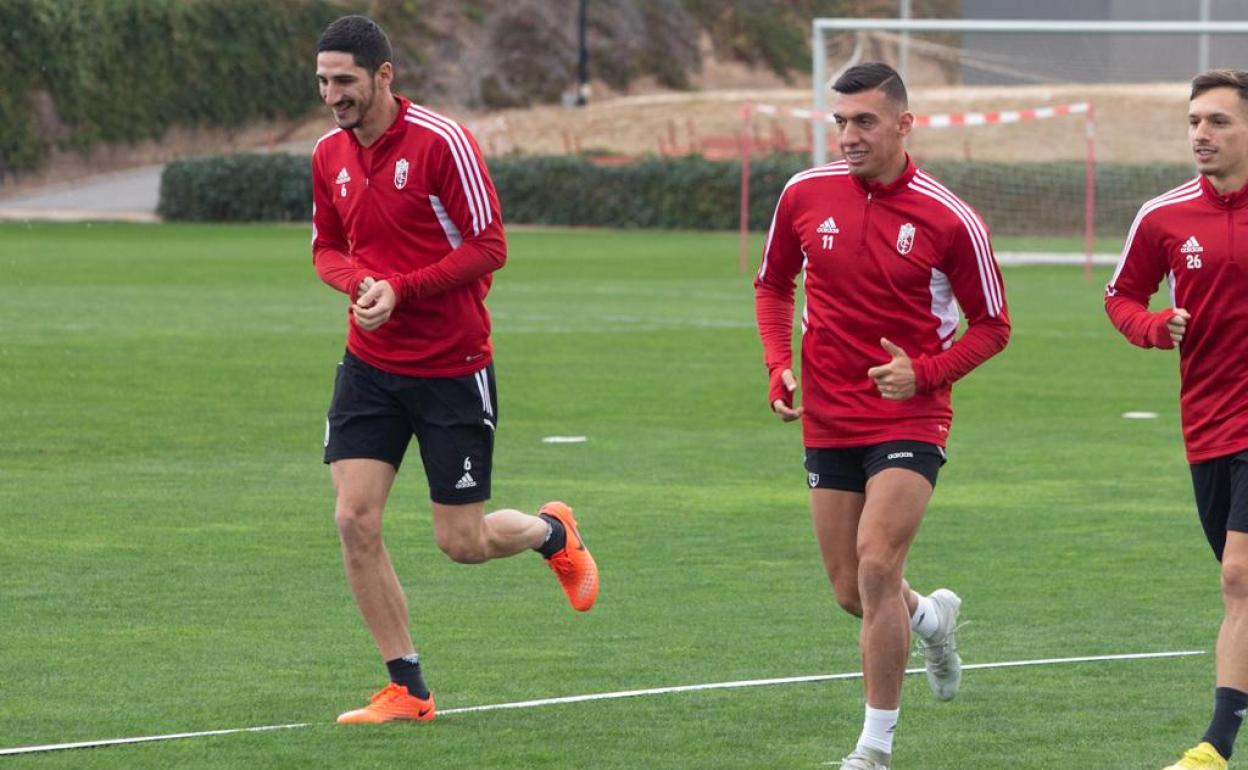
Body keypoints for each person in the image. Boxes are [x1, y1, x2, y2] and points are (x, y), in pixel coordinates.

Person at [310, 14, 598, 725]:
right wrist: (360, 285)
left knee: (460, 543)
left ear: (384, 75)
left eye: (344, 80)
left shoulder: (442, 143)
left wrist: (400, 288)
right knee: (353, 519)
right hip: (370, 364)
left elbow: (489, 245)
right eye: (322, 81)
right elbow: (325, 248)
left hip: (451, 365)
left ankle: (552, 533)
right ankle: (407, 686)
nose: (331, 95)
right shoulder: (328, 153)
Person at [753, 62, 1010, 770]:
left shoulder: (949, 218)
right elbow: (774, 285)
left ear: (904, 123)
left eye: (863, 121)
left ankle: (874, 748)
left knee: (876, 564)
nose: (847, 136)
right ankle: (932, 618)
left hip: (910, 417)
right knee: (853, 592)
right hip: (828, 417)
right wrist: (778, 364)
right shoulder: (804, 193)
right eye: (839, 122)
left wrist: (920, 375)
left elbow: (994, 325)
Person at [1106, 69, 1248, 770]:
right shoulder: (1162, 217)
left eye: (1218, 121)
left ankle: (1214, 747)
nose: (1201, 134)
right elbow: (1122, 297)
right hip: (1209, 425)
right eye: (1194, 121)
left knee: (1239, 577)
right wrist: (1157, 326)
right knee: (1240, 581)